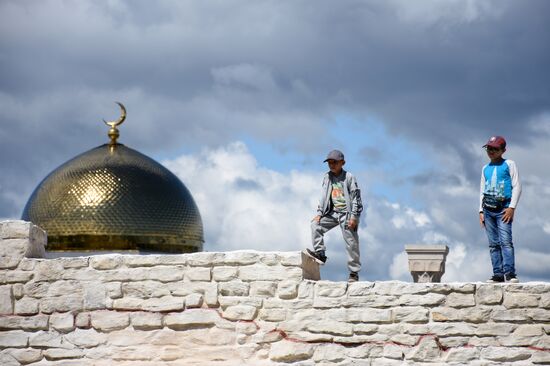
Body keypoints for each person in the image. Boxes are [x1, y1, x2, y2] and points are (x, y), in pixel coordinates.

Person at [306, 149, 364, 282]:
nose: (331, 165)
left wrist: (354, 217)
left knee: (351, 243)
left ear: (342, 163)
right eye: (329, 163)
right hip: (331, 213)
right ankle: (320, 253)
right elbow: (323, 196)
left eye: (334, 162)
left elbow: (356, 198)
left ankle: (354, 272)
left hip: (347, 214)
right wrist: (320, 214)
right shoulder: (327, 177)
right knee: (315, 224)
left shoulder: (349, 177)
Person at [479, 136, 522, 283]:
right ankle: (498, 274)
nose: (491, 151)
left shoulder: (509, 164)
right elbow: (482, 189)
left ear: (503, 150)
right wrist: (480, 210)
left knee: (506, 242)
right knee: (493, 244)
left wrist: (512, 207)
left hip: (503, 209)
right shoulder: (485, 168)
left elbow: (517, 186)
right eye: (489, 148)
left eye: (495, 149)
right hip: (488, 210)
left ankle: (510, 273)